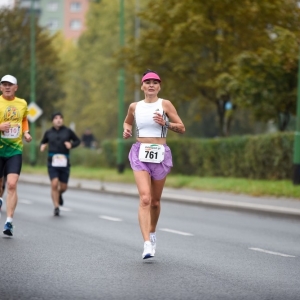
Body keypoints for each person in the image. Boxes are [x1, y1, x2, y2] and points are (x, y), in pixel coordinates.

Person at [123, 70, 185, 259]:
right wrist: (126, 131)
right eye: (147, 82)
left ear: (159, 86)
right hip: (140, 153)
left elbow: (181, 128)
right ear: (142, 86)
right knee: (145, 198)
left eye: (155, 82)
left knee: (156, 202)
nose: (151, 85)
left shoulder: (164, 104)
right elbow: (127, 123)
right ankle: (147, 244)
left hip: (160, 154)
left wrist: (165, 123)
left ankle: (152, 232)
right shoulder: (135, 106)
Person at [0, 74, 32, 236]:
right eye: (4, 84)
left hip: (15, 150)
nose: (6, 87)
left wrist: (26, 132)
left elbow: (24, 119)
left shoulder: (22, 103)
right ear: (0, 87)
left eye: (9, 84)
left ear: (15, 87)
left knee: (12, 184)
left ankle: (9, 222)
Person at [40, 112, 80, 216]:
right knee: (54, 183)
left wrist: (71, 144)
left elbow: (78, 141)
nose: (58, 120)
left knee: (63, 187)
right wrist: (43, 146)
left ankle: (59, 194)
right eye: (56, 118)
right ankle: (56, 207)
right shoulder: (48, 132)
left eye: (60, 118)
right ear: (53, 120)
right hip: (52, 162)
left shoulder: (68, 131)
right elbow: (43, 142)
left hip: (64, 162)